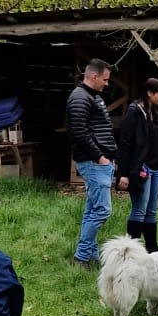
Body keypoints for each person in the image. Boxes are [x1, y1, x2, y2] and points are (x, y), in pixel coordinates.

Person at [67, 58, 118, 268]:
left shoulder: (91, 96)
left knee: (92, 209)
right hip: (93, 162)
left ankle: (91, 255)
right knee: (102, 210)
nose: (107, 84)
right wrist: (100, 157)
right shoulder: (80, 97)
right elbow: (79, 131)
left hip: (98, 161)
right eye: (105, 79)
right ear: (93, 76)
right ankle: (81, 256)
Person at [118, 76, 158, 253]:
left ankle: (152, 248)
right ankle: (130, 250)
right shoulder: (134, 111)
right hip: (141, 167)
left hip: (156, 168)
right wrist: (123, 173)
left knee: (152, 210)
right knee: (140, 209)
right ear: (149, 93)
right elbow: (125, 143)